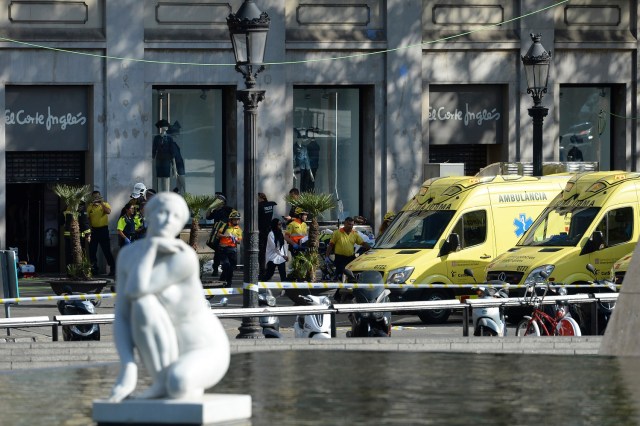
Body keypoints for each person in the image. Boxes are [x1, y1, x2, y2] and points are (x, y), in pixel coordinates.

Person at [108, 192, 230, 402]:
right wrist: (128, 365)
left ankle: (167, 383)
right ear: (149, 215)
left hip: (205, 347)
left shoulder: (183, 256)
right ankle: (161, 382)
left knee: (179, 382)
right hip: (168, 351)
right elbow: (122, 315)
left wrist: (152, 246)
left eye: (175, 217)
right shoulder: (128, 256)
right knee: (143, 305)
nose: (167, 221)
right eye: (162, 213)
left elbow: (138, 287)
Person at [87, 190, 116, 276]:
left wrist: (101, 203)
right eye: (94, 197)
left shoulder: (105, 204)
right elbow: (88, 220)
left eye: (97, 196)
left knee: (106, 250)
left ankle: (112, 268)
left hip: (103, 230)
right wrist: (88, 231)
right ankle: (94, 269)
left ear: (100, 197)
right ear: (92, 197)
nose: (96, 198)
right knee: (92, 251)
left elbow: (108, 212)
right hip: (94, 231)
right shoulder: (90, 207)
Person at [206, 193, 234, 277]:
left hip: (225, 233)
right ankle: (215, 269)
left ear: (222, 201)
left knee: (224, 251)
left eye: (218, 199)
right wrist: (209, 208)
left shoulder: (228, 209)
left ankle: (225, 269)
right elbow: (208, 217)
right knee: (217, 251)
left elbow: (235, 215)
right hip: (217, 233)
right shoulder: (215, 211)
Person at [61, 201, 91, 267]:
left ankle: (70, 271)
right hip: (79, 237)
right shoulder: (81, 209)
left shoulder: (66, 208)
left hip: (68, 236)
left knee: (69, 254)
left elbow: (61, 221)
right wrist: (88, 234)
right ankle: (79, 270)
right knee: (79, 253)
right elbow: (84, 222)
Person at [217, 210, 243, 287]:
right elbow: (218, 235)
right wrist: (226, 236)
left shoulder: (239, 230)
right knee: (226, 265)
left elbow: (239, 241)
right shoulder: (225, 226)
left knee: (231, 268)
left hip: (232, 250)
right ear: (231, 219)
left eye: (238, 219)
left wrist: (235, 239)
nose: (236, 221)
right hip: (223, 249)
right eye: (235, 219)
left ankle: (224, 280)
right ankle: (228, 282)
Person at [152, 119, 179, 192]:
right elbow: (153, 151)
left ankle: (166, 194)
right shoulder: (156, 138)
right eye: (165, 125)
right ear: (161, 127)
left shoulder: (169, 138)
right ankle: (160, 195)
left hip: (167, 160)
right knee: (159, 178)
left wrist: (174, 167)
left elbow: (172, 152)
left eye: (167, 125)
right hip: (158, 160)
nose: (166, 127)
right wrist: (151, 162)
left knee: (166, 178)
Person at [258, 192, 277, 278]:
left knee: (261, 252)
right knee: (270, 250)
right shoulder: (271, 204)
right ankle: (269, 270)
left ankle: (262, 272)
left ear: (260, 198)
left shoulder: (259, 206)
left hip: (261, 231)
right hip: (269, 230)